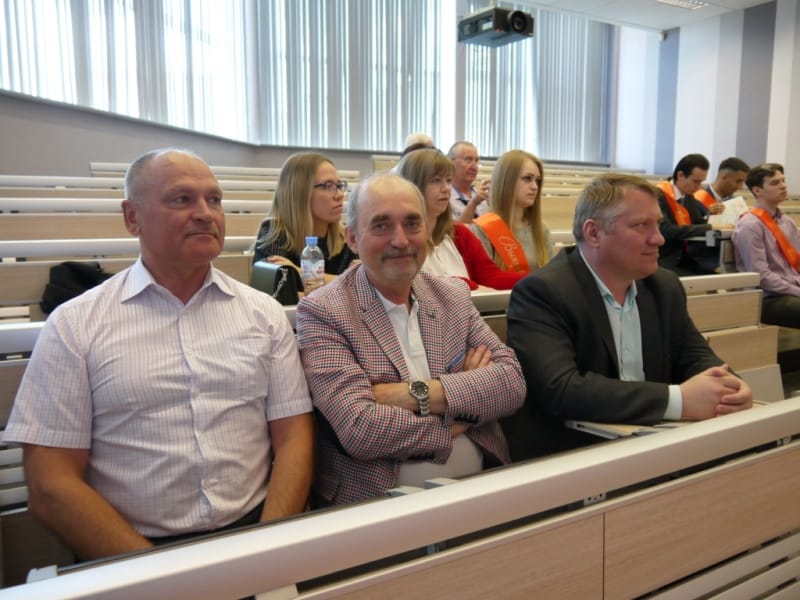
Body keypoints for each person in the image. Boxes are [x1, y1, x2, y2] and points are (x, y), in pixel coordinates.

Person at [4, 148, 315, 561]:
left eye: (214, 200)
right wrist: (161, 575)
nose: (205, 213)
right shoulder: (75, 324)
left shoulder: (263, 314)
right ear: (132, 217)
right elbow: (50, 484)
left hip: (255, 534)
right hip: (128, 551)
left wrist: (266, 551)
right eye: (181, 199)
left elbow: (294, 438)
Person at [295, 173, 526, 506]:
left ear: (427, 232)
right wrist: (460, 417)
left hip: (483, 488)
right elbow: (361, 429)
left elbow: (512, 384)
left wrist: (411, 394)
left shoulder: (452, 295)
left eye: (412, 224)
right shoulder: (324, 311)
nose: (400, 240)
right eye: (381, 225)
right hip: (379, 507)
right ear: (353, 239)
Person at [504, 173, 753, 460]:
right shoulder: (542, 292)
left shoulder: (664, 286)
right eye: (641, 225)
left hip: (653, 445)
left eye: (657, 224)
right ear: (594, 233)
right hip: (572, 456)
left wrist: (730, 387)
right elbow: (561, 389)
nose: (659, 238)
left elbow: (695, 355)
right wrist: (678, 400)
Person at [395, 148, 524, 290]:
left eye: (448, 180)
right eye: (436, 181)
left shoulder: (460, 234)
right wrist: (469, 285)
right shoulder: (400, 240)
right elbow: (423, 287)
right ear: (413, 186)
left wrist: (535, 280)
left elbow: (490, 276)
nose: (446, 188)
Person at [253, 152, 358, 284]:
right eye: (327, 186)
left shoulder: (346, 238)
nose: (340, 195)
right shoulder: (274, 233)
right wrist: (343, 282)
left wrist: (300, 273)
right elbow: (278, 292)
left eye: (339, 186)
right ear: (301, 193)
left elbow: (363, 287)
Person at [732, 163, 800, 328]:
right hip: (768, 297)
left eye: (783, 181)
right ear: (757, 190)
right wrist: (797, 291)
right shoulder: (750, 225)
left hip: (791, 289)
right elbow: (761, 276)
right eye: (775, 183)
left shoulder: (788, 223)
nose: (783, 186)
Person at [470, 149, 553, 274]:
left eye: (537, 180)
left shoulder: (542, 230)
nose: (535, 186)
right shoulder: (482, 230)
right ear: (507, 181)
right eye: (527, 178)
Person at [656, 153, 733, 275]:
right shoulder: (658, 195)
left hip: (686, 259)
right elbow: (667, 230)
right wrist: (710, 227)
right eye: (696, 181)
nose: (699, 187)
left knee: (722, 278)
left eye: (701, 182)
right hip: (665, 260)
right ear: (680, 175)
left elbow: (698, 224)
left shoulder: (688, 197)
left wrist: (714, 220)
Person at [447, 141, 490, 223]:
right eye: (468, 160)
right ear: (451, 162)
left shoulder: (481, 196)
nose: (474, 167)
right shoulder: (444, 196)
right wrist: (473, 204)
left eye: (476, 161)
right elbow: (454, 230)